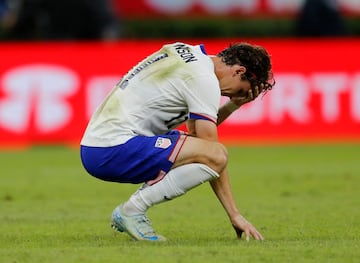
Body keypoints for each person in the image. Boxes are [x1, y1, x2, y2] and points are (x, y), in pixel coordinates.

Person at [80, 42, 275, 241]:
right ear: (239, 71)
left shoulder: (188, 53)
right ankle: (132, 210)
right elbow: (211, 151)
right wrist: (234, 214)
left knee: (206, 150)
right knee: (217, 154)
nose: (233, 95)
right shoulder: (203, 79)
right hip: (112, 148)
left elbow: (194, 133)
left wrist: (233, 106)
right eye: (241, 91)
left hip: (98, 144)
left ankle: (132, 210)